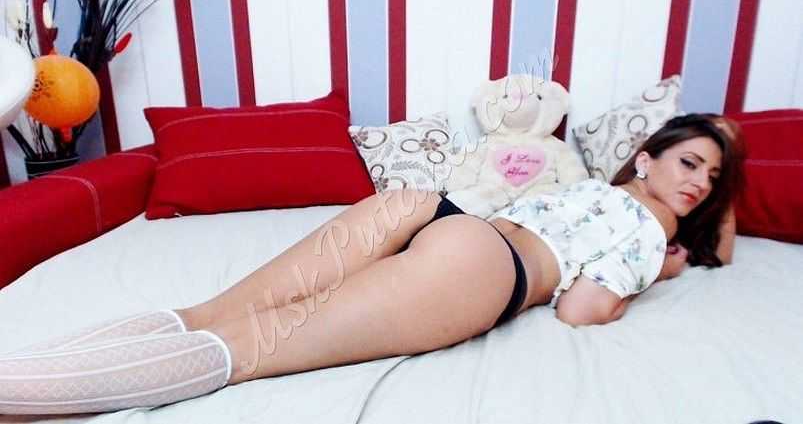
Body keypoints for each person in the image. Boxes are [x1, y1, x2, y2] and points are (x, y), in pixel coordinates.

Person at [0, 113, 744, 415]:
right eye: (689, 163)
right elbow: (582, 308)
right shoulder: (651, 227)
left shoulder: (598, 194)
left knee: (213, 314)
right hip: (481, 262)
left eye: (712, 181)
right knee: (244, 346)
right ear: (645, 157)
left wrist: (676, 241)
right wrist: (650, 273)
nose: (698, 185)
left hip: (432, 212)